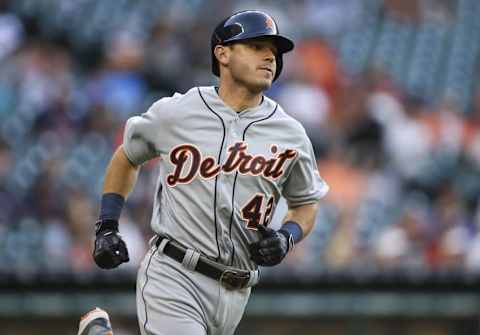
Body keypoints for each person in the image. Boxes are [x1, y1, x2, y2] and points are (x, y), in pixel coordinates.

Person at [92, 10, 329, 335]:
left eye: (274, 52)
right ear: (223, 53)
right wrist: (106, 226)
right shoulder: (177, 112)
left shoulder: (291, 133)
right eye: (257, 46)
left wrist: (287, 238)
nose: (269, 57)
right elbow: (126, 157)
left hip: (237, 290)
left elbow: (306, 204)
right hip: (175, 273)